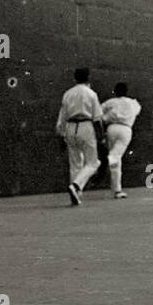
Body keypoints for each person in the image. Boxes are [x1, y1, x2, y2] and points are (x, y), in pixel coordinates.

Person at [55, 67, 104, 205]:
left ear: (75, 78)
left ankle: (76, 194)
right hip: (86, 127)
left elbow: (62, 116)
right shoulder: (91, 94)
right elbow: (97, 118)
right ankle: (76, 186)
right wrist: (101, 136)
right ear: (88, 78)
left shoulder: (68, 94)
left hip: (70, 127)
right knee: (93, 163)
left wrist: (61, 134)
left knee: (75, 163)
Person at [100, 82, 142, 199]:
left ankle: (115, 186)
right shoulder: (134, 103)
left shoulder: (110, 102)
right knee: (115, 157)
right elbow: (137, 111)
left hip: (111, 129)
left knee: (114, 157)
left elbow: (98, 113)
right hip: (125, 129)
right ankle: (117, 190)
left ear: (115, 91)